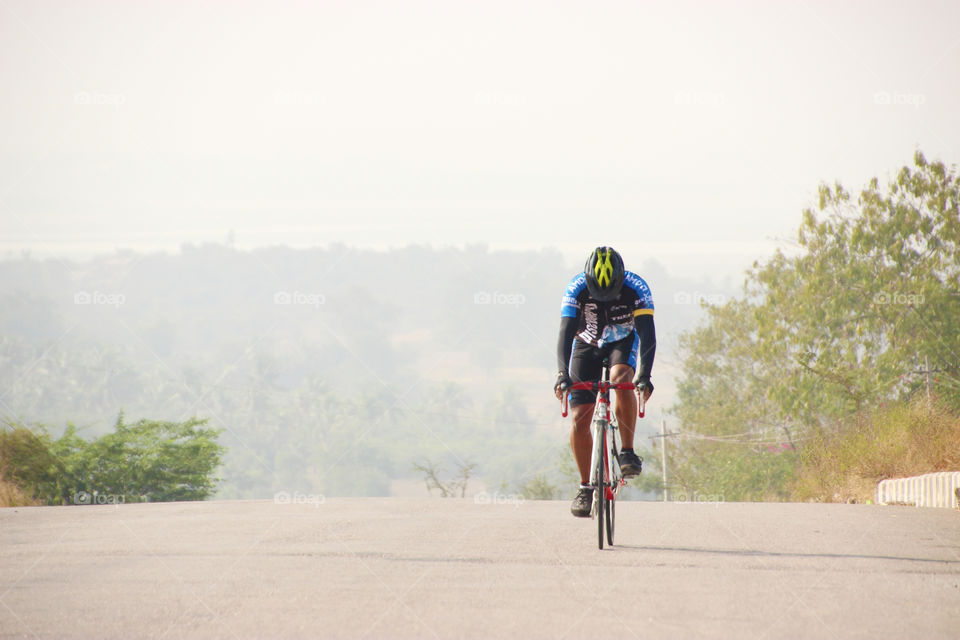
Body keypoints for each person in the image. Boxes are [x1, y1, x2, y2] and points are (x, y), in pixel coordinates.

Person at [554, 247, 656, 517]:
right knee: (579, 417)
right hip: (586, 343)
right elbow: (565, 334)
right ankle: (585, 487)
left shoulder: (637, 287)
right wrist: (562, 374)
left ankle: (627, 452)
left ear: (621, 279)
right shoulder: (575, 288)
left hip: (622, 342)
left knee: (621, 378)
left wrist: (644, 376)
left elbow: (647, 336)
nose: (603, 299)